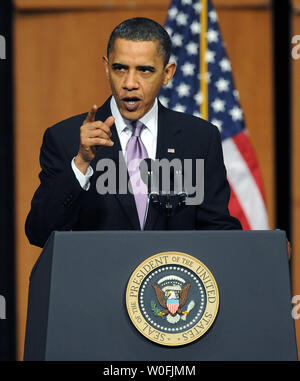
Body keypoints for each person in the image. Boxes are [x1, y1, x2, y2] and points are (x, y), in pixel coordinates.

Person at [25, 17, 242, 248]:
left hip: (171, 283)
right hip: (98, 282)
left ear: (167, 73)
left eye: (145, 70)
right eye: (120, 68)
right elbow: (39, 232)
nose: (130, 83)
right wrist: (81, 164)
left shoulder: (199, 138)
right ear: (107, 68)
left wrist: (264, 252)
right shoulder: (66, 138)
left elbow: (219, 232)